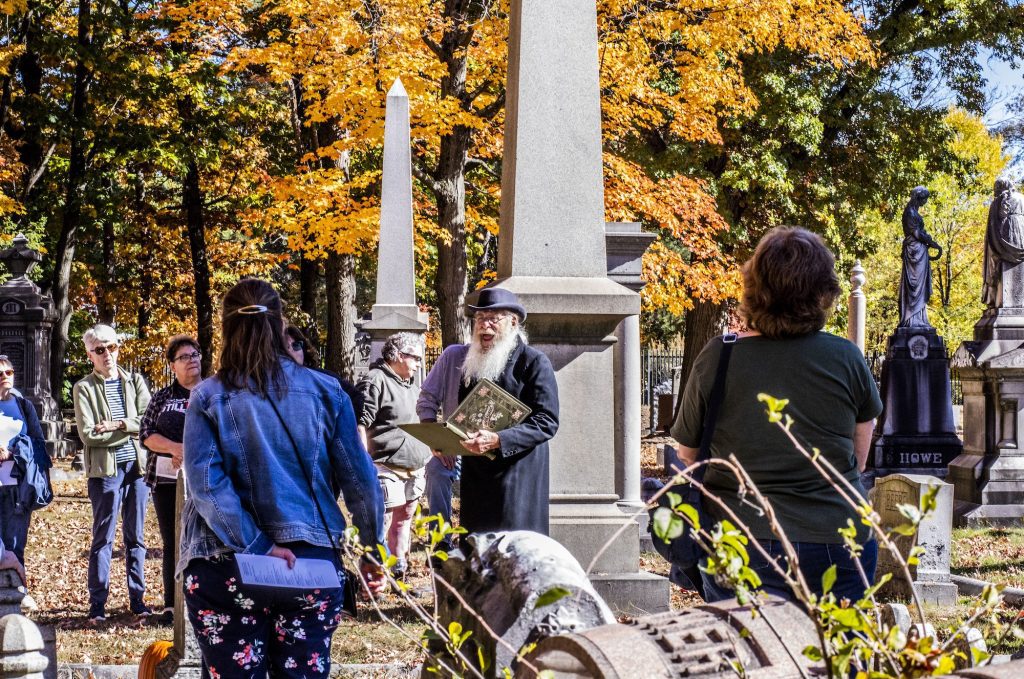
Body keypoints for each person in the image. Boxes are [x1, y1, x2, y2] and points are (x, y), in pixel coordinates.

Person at [179, 279, 384, 678]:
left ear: (226, 327)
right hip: (310, 564)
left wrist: (258, 545)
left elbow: (205, 486)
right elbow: (362, 483)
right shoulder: (328, 392)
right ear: (279, 324)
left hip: (227, 563)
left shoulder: (207, 396)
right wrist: (373, 547)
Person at [671, 227, 882, 604]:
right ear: (824, 291)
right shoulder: (846, 357)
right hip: (839, 539)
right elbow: (859, 456)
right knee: (838, 657)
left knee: (748, 656)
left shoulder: (719, 356)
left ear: (753, 289)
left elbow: (687, 457)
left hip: (740, 541)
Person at [418, 288, 559, 537]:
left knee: (512, 548)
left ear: (513, 322)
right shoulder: (472, 362)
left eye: (494, 319)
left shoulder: (534, 362)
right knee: (477, 546)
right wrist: (443, 441)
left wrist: (498, 440)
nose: (485, 326)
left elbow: (547, 421)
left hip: (517, 474)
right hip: (477, 474)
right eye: (480, 319)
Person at [72, 324, 152, 622]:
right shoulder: (84, 387)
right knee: (103, 538)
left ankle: (138, 600)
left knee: (136, 537)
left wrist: (117, 424)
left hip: (137, 468)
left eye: (112, 347)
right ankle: (98, 605)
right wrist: (130, 428)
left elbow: (148, 422)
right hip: (105, 471)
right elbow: (89, 434)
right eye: (100, 350)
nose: (107, 354)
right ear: (90, 354)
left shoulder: (134, 381)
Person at [139, 335, 203, 626]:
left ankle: (201, 600)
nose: (192, 360)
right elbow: (146, 435)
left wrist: (192, 452)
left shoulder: (212, 392)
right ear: (173, 365)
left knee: (203, 539)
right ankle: (170, 604)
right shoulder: (163, 398)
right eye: (184, 357)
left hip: (205, 479)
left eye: (195, 354)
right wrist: (174, 448)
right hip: (167, 480)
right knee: (173, 541)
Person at [357, 333, 431, 579]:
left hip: (414, 467)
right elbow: (359, 424)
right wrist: (364, 462)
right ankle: (374, 576)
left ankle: (398, 571)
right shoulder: (375, 380)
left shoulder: (410, 385)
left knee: (405, 517)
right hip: (384, 466)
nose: (419, 364)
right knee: (383, 521)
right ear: (399, 356)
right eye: (415, 358)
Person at [0, 355, 50, 567]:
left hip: (18, 487)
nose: (4, 376)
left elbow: (38, 443)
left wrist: (14, 451)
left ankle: (16, 596)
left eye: (8, 372)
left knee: (15, 546)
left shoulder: (24, 406)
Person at [285, 324, 363, 415]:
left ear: (304, 349)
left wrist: (339, 424)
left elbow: (356, 398)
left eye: (296, 345)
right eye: (284, 348)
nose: (290, 351)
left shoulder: (326, 379)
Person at [898, 186, 942, 328]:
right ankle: (912, 319)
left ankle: (920, 319)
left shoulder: (913, 211)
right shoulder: (909, 212)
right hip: (914, 251)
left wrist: (929, 241)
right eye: (925, 199)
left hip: (919, 251)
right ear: (918, 197)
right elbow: (916, 233)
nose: (926, 201)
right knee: (914, 286)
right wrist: (932, 242)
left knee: (919, 287)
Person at [983, 177, 1024, 308]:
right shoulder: (1022, 198)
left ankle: (994, 298)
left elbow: (993, 224)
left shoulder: (999, 200)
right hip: (1021, 235)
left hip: (1005, 234)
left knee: (995, 258)